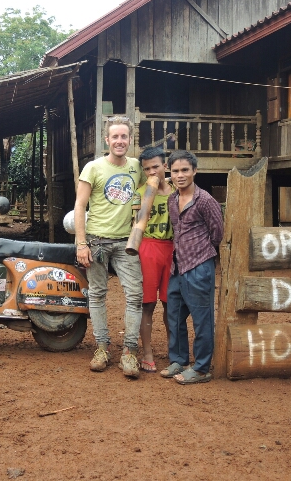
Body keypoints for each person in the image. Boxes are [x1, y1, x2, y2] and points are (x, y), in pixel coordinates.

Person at [74, 116, 146, 378]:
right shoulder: (93, 168)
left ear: (130, 139)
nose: (119, 141)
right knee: (97, 294)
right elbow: (80, 206)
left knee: (135, 295)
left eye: (124, 136)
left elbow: (152, 185)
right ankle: (102, 347)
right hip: (96, 240)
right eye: (115, 136)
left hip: (127, 243)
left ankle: (130, 351)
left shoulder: (136, 167)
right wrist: (81, 243)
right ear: (107, 140)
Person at [160, 150, 223, 385]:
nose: (180, 175)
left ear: (195, 171)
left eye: (185, 170)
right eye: (176, 171)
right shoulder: (172, 200)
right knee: (174, 316)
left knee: (201, 319)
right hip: (178, 266)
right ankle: (179, 360)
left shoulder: (205, 200)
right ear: (170, 172)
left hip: (199, 266)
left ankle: (202, 368)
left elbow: (217, 233)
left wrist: (200, 251)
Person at [135, 146, 174, 373]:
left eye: (156, 167)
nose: (152, 172)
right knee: (147, 303)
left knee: (171, 303)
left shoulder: (177, 192)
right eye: (147, 169)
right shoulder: (139, 193)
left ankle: (173, 350)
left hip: (173, 249)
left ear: (165, 166)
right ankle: (147, 352)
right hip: (148, 247)